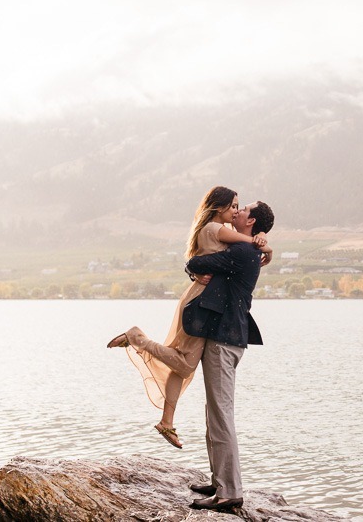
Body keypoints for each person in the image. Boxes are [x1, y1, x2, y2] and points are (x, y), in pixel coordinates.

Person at [106, 186, 270, 449]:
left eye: (241, 207)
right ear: (220, 208)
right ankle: (137, 337)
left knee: (181, 365)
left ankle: (166, 422)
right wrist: (264, 243)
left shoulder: (219, 231)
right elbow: (240, 245)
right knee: (184, 365)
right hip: (201, 304)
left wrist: (261, 235)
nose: (237, 211)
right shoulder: (215, 229)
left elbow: (208, 258)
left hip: (205, 303)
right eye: (234, 206)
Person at [183, 200, 275, 513]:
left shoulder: (241, 252)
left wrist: (196, 269)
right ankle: (218, 480)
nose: (237, 211)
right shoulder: (248, 249)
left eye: (244, 209)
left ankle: (229, 492)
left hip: (224, 339)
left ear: (251, 222)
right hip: (228, 338)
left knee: (221, 415)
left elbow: (197, 263)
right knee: (215, 412)